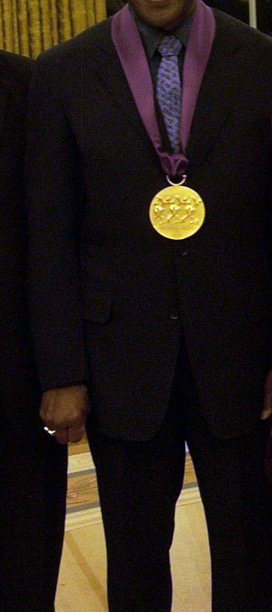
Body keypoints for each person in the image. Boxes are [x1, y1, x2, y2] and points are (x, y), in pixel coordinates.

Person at [25, 0, 272, 610]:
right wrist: (62, 370)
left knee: (248, 548)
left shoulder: (269, 67)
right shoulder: (61, 75)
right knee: (135, 554)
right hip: (118, 361)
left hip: (237, 357)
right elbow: (49, 234)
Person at [1, 48, 65, 611]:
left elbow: (55, 229)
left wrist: (62, 371)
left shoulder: (28, 84)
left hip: (17, 367)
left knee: (25, 551)